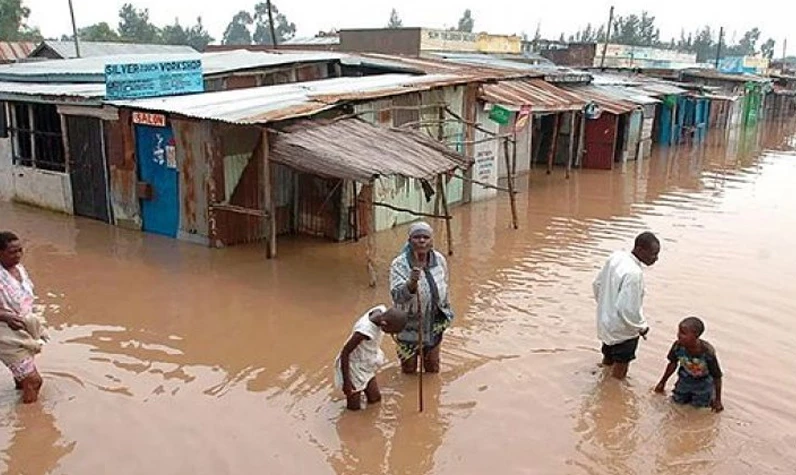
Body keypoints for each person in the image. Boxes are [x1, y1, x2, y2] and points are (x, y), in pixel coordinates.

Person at [593, 231, 660, 379]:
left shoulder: (616, 257)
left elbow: (597, 284)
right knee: (619, 372)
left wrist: (605, 308)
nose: (656, 259)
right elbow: (627, 309)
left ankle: (602, 382)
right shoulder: (634, 274)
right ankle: (611, 397)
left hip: (606, 324)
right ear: (640, 249)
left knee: (608, 359)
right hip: (623, 331)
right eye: (653, 254)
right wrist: (641, 327)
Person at [390, 222, 454, 375]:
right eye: (417, 237)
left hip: (434, 323)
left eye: (426, 237)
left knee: (432, 366)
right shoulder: (399, 264)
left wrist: (445, 314)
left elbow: (444, 287)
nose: (422, 241)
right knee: (409, 369)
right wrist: (411, 283)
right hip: (408, 325)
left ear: (431, 240)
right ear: (410, 240)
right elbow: (397, 296)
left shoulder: (439, 260)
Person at [0, 231, 47, 403]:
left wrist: (36, 324)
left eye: (20, 250)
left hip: (23, 327)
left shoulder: (19, 268)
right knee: (34, 381)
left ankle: (21, 392)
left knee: (23, 378)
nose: (18, 255)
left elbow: (26, 298)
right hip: (5, 334)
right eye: (12, 252)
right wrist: (5, 317)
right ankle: (29, 422)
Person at [335, 305, 408, 411]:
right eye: (391, 332)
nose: (391, 335)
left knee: (375, 399)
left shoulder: (381, 310)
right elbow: (345, 353)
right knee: (354, 408)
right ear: (384, 324)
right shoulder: (364, 332)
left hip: (366, 363)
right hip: (353, 367)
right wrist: (347, 381)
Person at [655, 317, 724, 412]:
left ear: (696, 335)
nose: (679, 336)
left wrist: (718, 400)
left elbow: (717, 376)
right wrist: (662, 382)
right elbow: (672, 364)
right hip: (684, 381)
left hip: (703, 384)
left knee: (698, 410)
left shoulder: (707, 352)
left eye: (683, 333)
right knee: (676, 404)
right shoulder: (678, 346)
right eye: (679, 332)